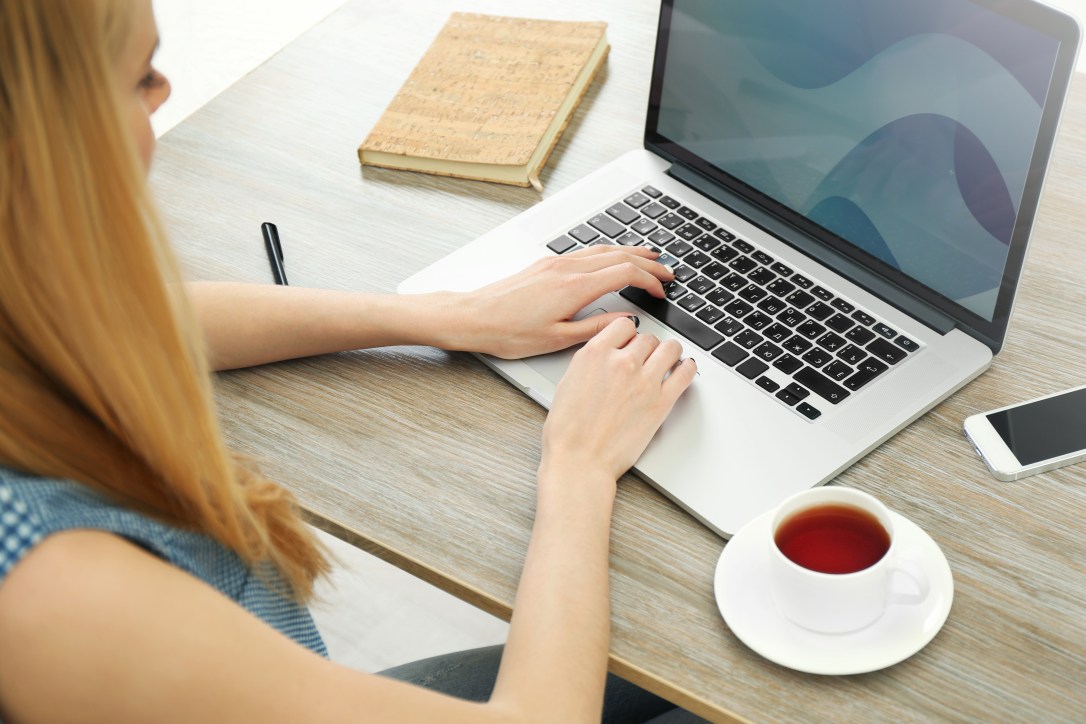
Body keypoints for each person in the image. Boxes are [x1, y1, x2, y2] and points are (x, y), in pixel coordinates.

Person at [0, 0, 702, 721]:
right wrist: (579, 464)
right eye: (141, 77)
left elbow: (135, 320)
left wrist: (447, 315)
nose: (165, 94)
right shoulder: (52, 595)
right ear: (43, 142)